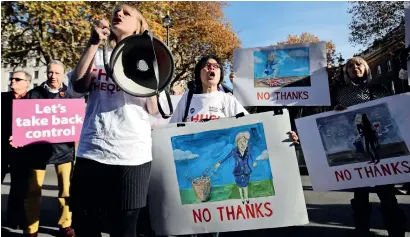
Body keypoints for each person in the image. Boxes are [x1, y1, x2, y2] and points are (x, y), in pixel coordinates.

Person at [68, 4, 157, 237]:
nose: (118, 14)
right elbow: (77, 88)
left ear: (139, 26)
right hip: (93, 153)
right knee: (86, 226)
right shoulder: (97, 57)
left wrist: (146, 71)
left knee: (125, 229)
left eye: (127, 13)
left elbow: (156, 109)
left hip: (132, 157)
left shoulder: (151, 61)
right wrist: (93, 43)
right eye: (116, 11)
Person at [293, 57, 406, 237]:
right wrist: (334, 111)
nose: (355, 68)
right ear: (346, 72)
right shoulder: (339, 92)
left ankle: (396, 231)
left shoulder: (379, 89)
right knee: (360, 196)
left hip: (378, 144)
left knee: (387, 196)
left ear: (366, 68)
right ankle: (362, 230)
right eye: (350, 66)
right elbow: (322, 114)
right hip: (354, 144)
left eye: (358, 64)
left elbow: (391, 114)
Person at [13, 61, 76, 237]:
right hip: (37, 151)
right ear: (46, 74)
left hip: (64, 150)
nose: (53, 76)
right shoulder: (33, 94)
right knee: (33, 190)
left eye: (57, 73)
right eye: (50, 73)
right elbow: (22, 121)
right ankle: (31, 230)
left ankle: (65, 225)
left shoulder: (70, 96)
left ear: (63, 75)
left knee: (66, 190)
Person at [2, 71, 32, 229]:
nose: (13, 81)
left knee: (19, 187)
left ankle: (14, 219)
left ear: (27, 83)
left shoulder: (33, 101)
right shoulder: (2, 99)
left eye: (18, 79)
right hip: (2, 149)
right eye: (12, 78)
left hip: (22, 152)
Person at [215, 131, 257, 204]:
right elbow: (226, 157)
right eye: (241, 142)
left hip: (247, 170)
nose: (243, 145)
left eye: (245, 142)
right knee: (240, 186)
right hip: (238, 171)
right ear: (237, 143)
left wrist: (253, 162)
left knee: (245, 185)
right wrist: (219, 162)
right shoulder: (234, 151)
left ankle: (246, 198)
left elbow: (251, 156)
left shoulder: (248, 149)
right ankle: (242, 199)